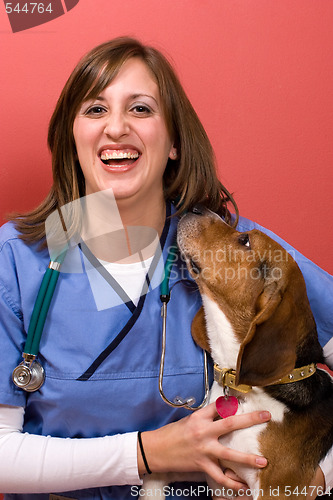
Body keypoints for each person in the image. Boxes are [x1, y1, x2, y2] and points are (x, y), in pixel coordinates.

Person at [0, 37, 332, 500]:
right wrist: (145, 453)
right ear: (70, 138)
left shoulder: (231, 251)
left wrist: (319, 476)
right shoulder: (19, 260)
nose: (116, 128)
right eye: (95, 110)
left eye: (140, 109)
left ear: (174, 141)